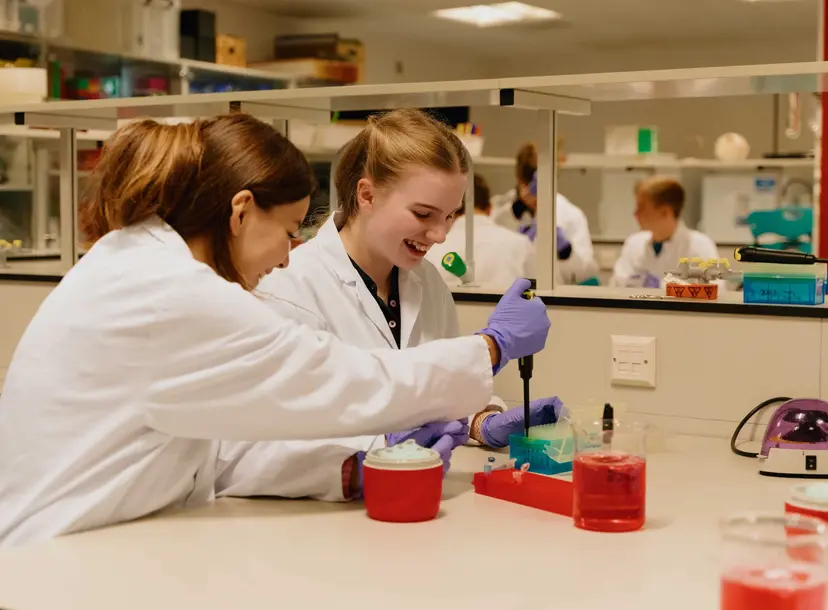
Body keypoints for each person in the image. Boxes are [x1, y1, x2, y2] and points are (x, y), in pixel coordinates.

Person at [0, 113, 551, 547]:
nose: (289, 258)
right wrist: (491, 346)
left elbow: (212, 447)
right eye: (288, 232)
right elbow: (338, 378)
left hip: (103, 543)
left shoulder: (143, 267)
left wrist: (354, 469)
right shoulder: (171, 291)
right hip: (54, 555)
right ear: (241, 211)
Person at [218, 109, 562, 503]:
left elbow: (430, 394)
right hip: (320, 527)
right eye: (423, 214)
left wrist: (480, 422)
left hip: (419, 502)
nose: (439, 234)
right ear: (367, 195)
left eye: (450, 216)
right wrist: (358, 465)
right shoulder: (287, 286)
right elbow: (244, 450)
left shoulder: (428, 283)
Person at [493, 143, 598, 284]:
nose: (532, 195)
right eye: (527, 185)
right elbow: (490, 238)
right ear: (518, 179)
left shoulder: (570, 215)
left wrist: (565, 251)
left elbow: (585, 274)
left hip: (552, 298)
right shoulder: (503, 210)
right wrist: (516, 210)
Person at [427, 173, 534, 288]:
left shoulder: (431, 248)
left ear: (450, 210)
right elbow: (539, 295)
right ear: (490, 208)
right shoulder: (521, 244)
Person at [610, 176, 719, 288]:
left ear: (665, 212)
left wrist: (665, 287)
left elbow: (714, 290)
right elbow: (616, 286)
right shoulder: (633, 244)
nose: (636, 214)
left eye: (642, 208)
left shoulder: (700, 246)